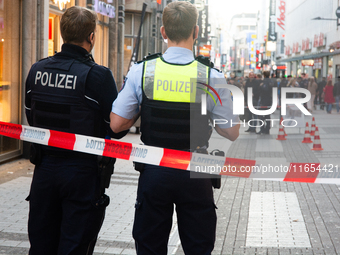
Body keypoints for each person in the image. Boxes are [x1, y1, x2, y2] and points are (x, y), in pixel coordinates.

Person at [110, 2, 240, 254]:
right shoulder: (210, 76)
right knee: (198, 246)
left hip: (155, 168)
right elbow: (231, 132)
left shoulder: (143, 71)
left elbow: (117, 124)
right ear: (196, 30)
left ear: (163, 31)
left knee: (149, 246)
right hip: (196, 169)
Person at [24, 6, 127, 254]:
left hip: (44, 170)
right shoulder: (98, 77)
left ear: (62, 34)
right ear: (92, 37)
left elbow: (31, 117)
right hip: (82, 174)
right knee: (74, 247)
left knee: (41, 246)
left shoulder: (37, 70)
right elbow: (115, 130)